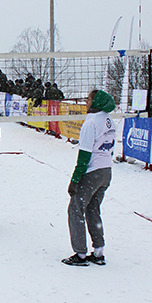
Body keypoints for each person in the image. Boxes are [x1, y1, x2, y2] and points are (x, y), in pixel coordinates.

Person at [62, 90, 116, 266]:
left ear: (96, 101)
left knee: (75, 209)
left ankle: (80, 254)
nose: (86, 102)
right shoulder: (109, 120)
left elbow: (84, 155)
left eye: (88, 99)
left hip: (92, 171)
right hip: (106, 171)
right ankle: (98, 252)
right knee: (93, 209)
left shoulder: (91, 122)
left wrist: (75, 179)